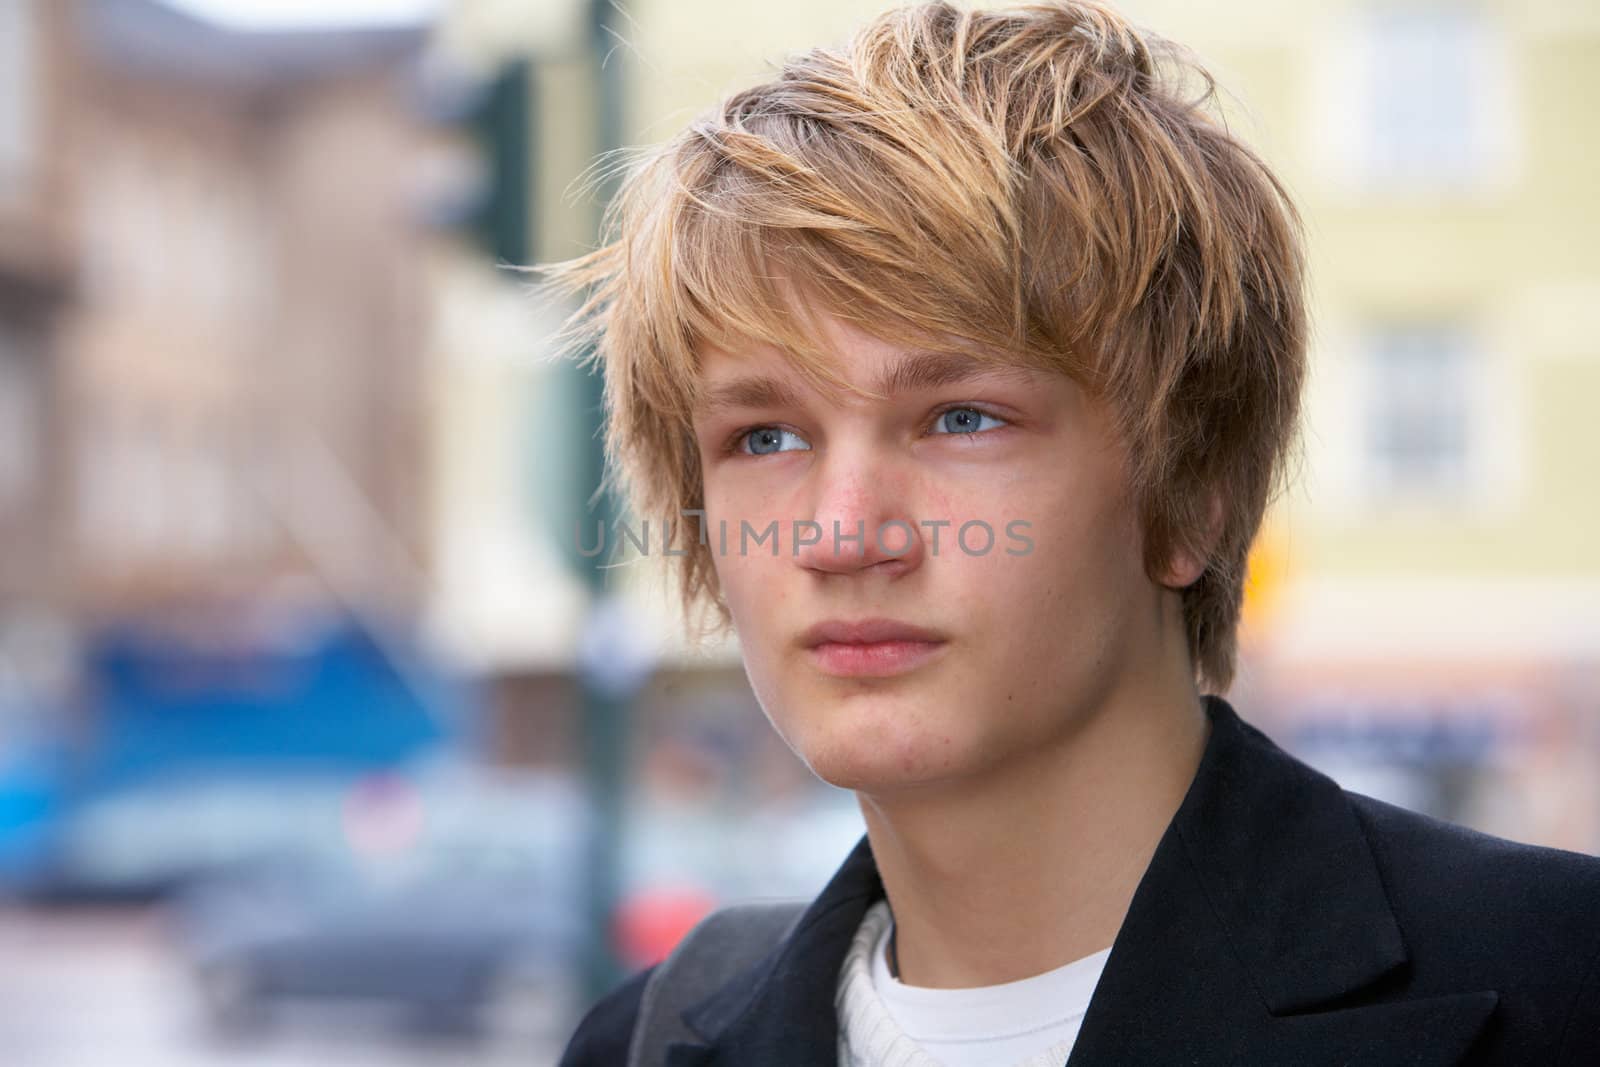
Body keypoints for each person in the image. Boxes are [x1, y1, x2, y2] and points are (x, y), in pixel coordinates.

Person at [543, 2, 1600, 1064]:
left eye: (961, 418)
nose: (841, 531)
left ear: (1191, 489)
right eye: (765, 435)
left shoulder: (1559, 981)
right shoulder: (638, 1041)